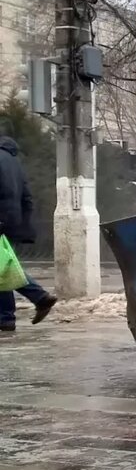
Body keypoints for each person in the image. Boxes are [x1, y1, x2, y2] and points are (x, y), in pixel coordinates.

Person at [0, 130, 56, 331]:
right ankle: (6, 318)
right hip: (10, 222)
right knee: (3, 268)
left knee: (3, 269)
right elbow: (27, 197)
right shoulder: (14, 163)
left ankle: (37, 298)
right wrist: (22, 223)